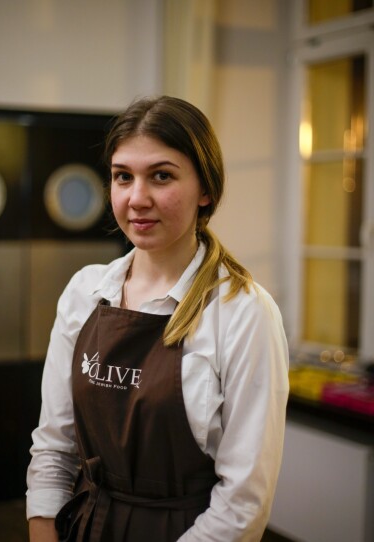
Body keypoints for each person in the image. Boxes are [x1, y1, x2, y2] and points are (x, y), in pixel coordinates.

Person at [26, 96, 289, 542]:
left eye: (161, 176)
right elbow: (54, 447)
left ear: (206, 190)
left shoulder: (242, 311)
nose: (136, 198)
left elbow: (244, 501)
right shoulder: (85, 293)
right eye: (122, 177)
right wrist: (44, 529)